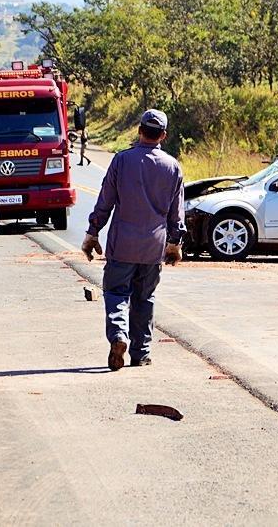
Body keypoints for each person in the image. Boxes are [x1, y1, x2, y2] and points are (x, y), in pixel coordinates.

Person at [82, 109, 185, 371]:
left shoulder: (121, 160)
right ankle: (141, 353)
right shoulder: (173, 167)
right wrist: (174, 244)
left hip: (123, 244)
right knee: (144, 298)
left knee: (117, 293)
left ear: (139, 131)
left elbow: (105, 201)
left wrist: (92, 233)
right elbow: (177, 212)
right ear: (163, 135)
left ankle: (118, 336)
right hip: (153, 246)